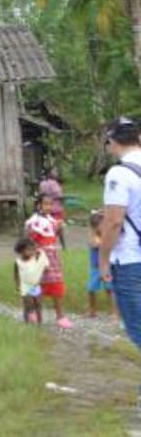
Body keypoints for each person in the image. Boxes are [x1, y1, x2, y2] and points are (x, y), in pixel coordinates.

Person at [98, 117, 141, 360]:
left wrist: (103, 260)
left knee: (137, 329)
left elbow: (114, 221)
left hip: (130, 259)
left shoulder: (119, 173)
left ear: (112, 142)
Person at [24, 193, 72, 328]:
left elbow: (53, 236)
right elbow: (30, 240)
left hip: (52, 256)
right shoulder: (33, 222)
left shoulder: (52, 220)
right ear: (39, 205)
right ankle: (33, 312)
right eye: (46, 204)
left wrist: (59, 234)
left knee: (57, 283)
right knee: (37, 285)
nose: (49, 207)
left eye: (51, 204)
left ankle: (60, 316)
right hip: (38, 256)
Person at [14, 236, 48, 325]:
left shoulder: (35, 258)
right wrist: (17, 285)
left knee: (38, 304)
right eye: (28, 250)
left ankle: (39, 323)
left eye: (32, 249)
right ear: (21, 251)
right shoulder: (18, 262)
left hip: (36, 285)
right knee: (28, 305)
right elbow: (16, 274)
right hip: (25, 286)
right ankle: (27, 322)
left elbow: (43, 264)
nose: (31, 252)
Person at [88, 209, 116, 318]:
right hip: (95, 267)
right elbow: (94, 244)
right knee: (91, 289)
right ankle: (92, 310)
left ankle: (115, 311)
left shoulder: (108, 237)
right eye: (100, 225)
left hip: (107, 267)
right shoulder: (93, 237)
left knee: (110, 289)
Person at [38, 168, 66, 247]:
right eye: (54, 172)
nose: (56, 173)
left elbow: (41, 195)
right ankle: (62, 245)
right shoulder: (54, 183)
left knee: (47, 226)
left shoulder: (42, 183)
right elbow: (59, 195)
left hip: (45, 208)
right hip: (56, 208)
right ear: (50, 173)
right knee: (59, 227)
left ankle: (47, 242)